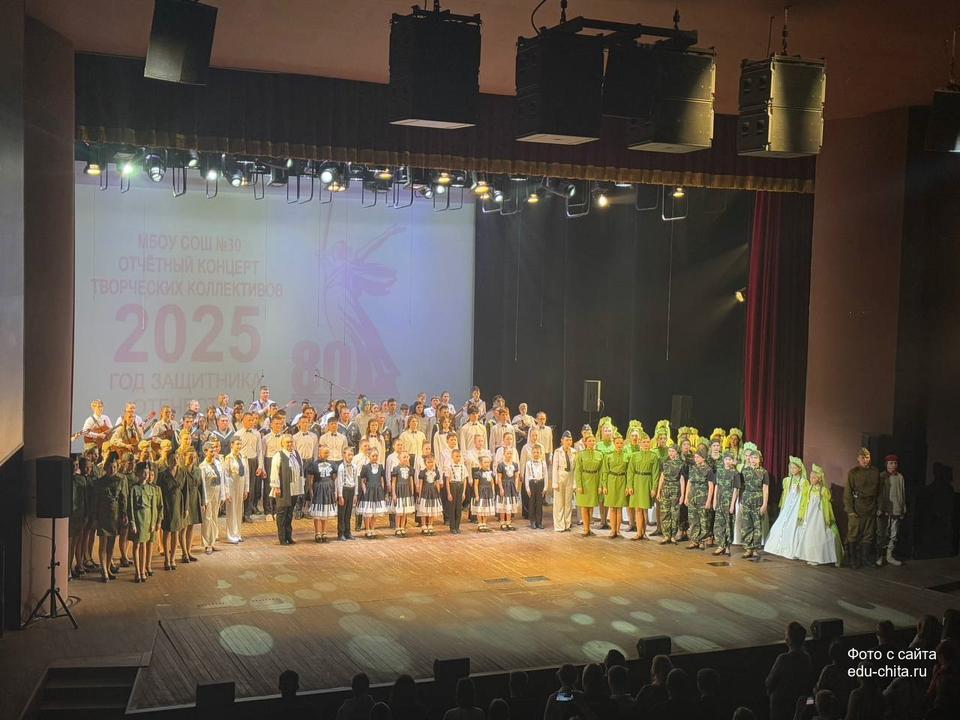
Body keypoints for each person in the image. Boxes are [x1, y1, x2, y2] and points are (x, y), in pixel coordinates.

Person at [794, 464, 843, 566]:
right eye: (810, 477)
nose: (811, 479)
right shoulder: (809, 488)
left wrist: (827, 517)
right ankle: (811, 556)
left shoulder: (823, 490)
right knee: (810, 534)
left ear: (819, 479)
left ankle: (820, 557)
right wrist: (803, 514)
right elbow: (805, 502)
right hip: (810, 514)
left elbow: (826, 505)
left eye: (814, 478)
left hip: (819, 515)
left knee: (820, 534)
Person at [765, 621, 811, 720]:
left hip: (781, 708)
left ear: (788, 640)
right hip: (797, 704)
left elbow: (770, 682)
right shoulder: (806, 658)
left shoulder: (783, 659)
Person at [843, 448, 881, 568]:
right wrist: (850, 510)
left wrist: (879, 507)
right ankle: (852, 560)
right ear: (858, 459)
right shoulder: (853, 473)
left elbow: (879, 491)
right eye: (863, 457)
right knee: (853, 534)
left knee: (868, 535)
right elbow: (848, 493)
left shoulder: (875, 472)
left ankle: (865, 559)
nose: (865, 460)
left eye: (867, 457)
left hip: (871, 507)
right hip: (857, 508)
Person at [765, 456, 808, 559]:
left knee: (793, 526)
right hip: (788, 505)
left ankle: (791, 549)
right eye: (791, 467)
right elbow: (785, 495)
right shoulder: (787, 480)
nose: (792, 470)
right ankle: (777, 547)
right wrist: (783, 506)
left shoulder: (803, 482)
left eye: (794, 468)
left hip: (796, 506)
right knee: (781, 523)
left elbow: (804, 497)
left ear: (800, 469)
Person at [93, 455, 127, 582]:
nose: (112, 470)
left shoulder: (120, 480)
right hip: (103, 514)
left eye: (115, 467)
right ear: (106, 468)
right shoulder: (99, 482)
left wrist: (124, 514)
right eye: (110, 467)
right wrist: (95, 517)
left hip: (115, 515)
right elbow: (95, 501)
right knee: (103, 543)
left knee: (111, 544)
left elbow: (123, 498)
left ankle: (108, 568)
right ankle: (103, 570)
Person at [128, 461, 161, 583]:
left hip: (147, 520)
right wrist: (132, 522)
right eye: (143, 472)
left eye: (147, 472)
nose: (146, 475)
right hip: (137, 519)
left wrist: (153, 523)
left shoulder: (151, 489)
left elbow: (154, 508)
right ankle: (137, 571)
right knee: (136, 545)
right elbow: (130, 507)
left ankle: (143, 570)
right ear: (137, 473)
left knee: (144, 545)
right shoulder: (133, 489)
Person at [269, 434, 304, 545]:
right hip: (283, 488)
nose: (290, 444)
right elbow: (274, 472)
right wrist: (276, 486)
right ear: (282, 444)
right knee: (282, 514)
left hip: (294, 489)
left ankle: (289, 536)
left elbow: (300, 471)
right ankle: (282, 538)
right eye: (287, 442)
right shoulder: (278, 456)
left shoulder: (296, 454)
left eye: (291, 442)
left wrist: (301, 485)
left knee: (289, 514)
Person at [627, 432, 661, 540]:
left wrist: (654, 488)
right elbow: (630, 472)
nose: (646, 444)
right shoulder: (634, 455)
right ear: (640, 443)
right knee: (638, 508)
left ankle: (644, 532)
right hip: (637, 482)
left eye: (647, 442)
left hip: (647, 482)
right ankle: (638, 532)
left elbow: (655, 474)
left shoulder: (654, 456)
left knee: (644, 509)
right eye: (644, 442)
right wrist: (629, 486)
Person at [876, 454, 906, 567]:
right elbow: (879, 494)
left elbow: (902, 493)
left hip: (896, 509)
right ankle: (880, 556)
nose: (893, 465)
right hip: (884, 510)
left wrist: (902, 508)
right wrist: (880, 508)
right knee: (882, 534)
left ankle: (889, 556)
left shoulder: (900, 477)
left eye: (895, 463)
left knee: (894, 534)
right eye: (891, 463)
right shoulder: (882, 476)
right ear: (886, 464)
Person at [683, 448, 716, 550]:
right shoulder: (693, 468)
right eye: (695, 457)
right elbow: (689, 482)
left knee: (704, 520)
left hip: (703, 498)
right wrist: (686, 496)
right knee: (693, 520)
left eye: (698, 457)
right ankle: (694, 540)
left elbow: (711, 486)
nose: (696, 459)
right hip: (692, 497)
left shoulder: (708, 470)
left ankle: (703, 540)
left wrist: (709, 501)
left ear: (703, 458)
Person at [740, 449, 770, 559]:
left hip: (758, 500)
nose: (753, 460)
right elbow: (741, 487)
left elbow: (765, 488)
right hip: (746, 499)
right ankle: (748, 548)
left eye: (755, 458)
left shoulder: (764, 472)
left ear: (759, 460)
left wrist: (765, 504)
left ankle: (756, 548)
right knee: (746, 524)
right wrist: (741, 502)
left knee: (757, 525)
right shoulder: (744, 470)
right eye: (752, 457)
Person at [710, 451, 740, 556]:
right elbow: (716, 486)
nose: (728, 461)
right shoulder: (719, 471)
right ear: (723, 460)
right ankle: (720, 545)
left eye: (730, 459)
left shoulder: (735, 473)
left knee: (729, 524)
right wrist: (714, 500)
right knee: (719, 524)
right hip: (719, 501)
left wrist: (732, 505)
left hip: (729, 502)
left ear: (733, 461)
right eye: (726, 459)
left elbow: (736, 490)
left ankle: (727, 546)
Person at [814, 639, 854, 715]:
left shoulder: (828, 670)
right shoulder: (850, 671)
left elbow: (819, 690)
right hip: (844, 707)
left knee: (806, 701)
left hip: (828, 707)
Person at [600, 435, 629, 538]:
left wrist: (628, 486)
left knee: (619, 507)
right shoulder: (608, 456)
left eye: (621, 443)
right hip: (611, 481)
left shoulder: (627, 456)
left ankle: (618, 530)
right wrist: (604, 485)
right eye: (617, 443)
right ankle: (613, 530)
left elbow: (629, 473)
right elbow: (604, 471)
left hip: (622, 481)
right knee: (612, 507)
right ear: (614, 444)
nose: (619, 445)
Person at [221, 437, 249, 544]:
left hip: (241, 485)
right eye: (237, 444)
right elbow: (226, 475)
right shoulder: (228, 458)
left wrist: (246, 489)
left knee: (239, 510)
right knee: (231, 510)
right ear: (232, 445)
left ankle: (238, 533)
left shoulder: (243, 457)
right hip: (232, 485)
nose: (239, 446)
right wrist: (227, 492)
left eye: (240, 444)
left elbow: (246, 474)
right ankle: (231, 535)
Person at [307, 446, 338, 543]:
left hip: (328, 490)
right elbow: (310, 480)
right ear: (319, 453)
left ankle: (324, 532)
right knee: (318, 512)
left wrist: (332, 489)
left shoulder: (332, 464)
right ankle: (317, 533)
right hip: (318, 490)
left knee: (325, 512)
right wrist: (311, 492)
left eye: (328, 453)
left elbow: (334, 477)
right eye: (325, 453)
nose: (327, 454)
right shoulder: (314, 464)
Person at [574, 434, 602, 536]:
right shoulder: (581, 454)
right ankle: (585, 529)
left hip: (594, 480)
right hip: (584, 480)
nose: (591, 443)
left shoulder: (599, 454)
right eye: (589, 441)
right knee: (584, 506)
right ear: (585, 442)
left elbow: (601, 471)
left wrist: (600, 485)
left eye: (593, 441)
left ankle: (589, 528)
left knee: (591, 506)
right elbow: (578, 470)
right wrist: (579, 485)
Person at [198, 442, 223, 554]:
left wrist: (222, 495)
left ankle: (212, 542)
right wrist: (204, 500)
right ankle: (207, 543)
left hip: (216, 494)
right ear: (205, 452)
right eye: (211, 451)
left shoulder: (218, 463)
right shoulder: (202, 466)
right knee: (207, 519)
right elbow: (202, 484)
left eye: (214, 451)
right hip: (208, 495)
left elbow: (222, 480)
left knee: (214, 519)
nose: (213, 453)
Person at [359, 448, 389, 539]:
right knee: (368, 512)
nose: (375, 457)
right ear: (369, 456)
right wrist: (365, 491)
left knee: (375, 511)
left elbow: (382, 479)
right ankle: (367, 529)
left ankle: (372, 528)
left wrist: (382, 490)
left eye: (376, 456)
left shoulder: (380, 467)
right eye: (373, 456)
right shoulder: (365, 467)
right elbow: (362, 480)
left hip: (377, 491)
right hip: (369, 492)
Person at [551, 431, 575, 532]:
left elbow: (575, 469)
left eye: (570, 440)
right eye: (566, 440)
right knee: (559, 503)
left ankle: (567, 524)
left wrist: (575, 483)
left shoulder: (574, 452)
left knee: (568, 503)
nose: (568, 442)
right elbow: (554, 468)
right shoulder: (557, 452)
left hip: (570, 477)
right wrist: (555, 483)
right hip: (560, 476)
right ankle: (559, 525)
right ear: (562, 441)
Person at [416, 453, 444, 534]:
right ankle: (424, 525)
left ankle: (430, 525)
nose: (430, 464)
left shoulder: (436, 472)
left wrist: (438, 493)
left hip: (433, 493)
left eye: (432, 462)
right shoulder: (422, 472)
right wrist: (420, 495)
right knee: (424, 510)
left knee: (432, 509)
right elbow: (421, 484)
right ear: (425, 463)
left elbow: (437, 483)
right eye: (428, 462)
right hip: (425, 493)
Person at [336, 446, 359, 540]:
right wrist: (340, 495)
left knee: (349, 513)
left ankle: (348, 532)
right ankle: (341, 533)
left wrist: (356, 494)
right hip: (344, 490)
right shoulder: (341, 467)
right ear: (344, 455)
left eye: (352, 455)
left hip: (351, 489)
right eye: (348, 455)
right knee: (342, 513)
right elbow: (339, 482)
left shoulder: (355, 466)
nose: (350, 457)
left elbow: (356, 480)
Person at [391, 451, 417, 536]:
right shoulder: (396, 469)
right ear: (399, 458)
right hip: (399, 492)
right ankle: (397, 527)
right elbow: (393, 482)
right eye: (404, 457)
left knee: (405, 511)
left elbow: (411, 480)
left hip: (407, 492)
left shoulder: (410, 469)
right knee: (399, 511)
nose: (406, 459)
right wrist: (394, 494)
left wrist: (412, 492)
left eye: (407, 457)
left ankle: (402, 527)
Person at [472, 452, 499, 531]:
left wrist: (493, 492)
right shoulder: (478, 473)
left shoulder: (491, 473)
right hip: (481, 492)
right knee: (480, 508)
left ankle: (484, 523)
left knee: (486, 508)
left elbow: (492, 483)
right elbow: (476, 485)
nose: (487, 464)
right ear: (481, 463)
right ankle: (480, 523)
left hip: (488, 493)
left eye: (488, 462)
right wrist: (477, 495)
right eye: (485, 462)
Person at [496, 447, 522, 531]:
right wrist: (501, 488)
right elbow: (499, 478)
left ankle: (508, 522)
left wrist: (516, 486)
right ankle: (502, 523)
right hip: (504, 486)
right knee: (503, 505)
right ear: (504, 454)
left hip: (511, 487)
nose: (509, 455)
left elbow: (516, 477)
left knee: (509, 505)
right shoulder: (501, 465)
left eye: (511, 453)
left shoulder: (515, 465)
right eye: (507, 453)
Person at [524, 444, 548, 529]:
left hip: (540, 484)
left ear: (541, 453)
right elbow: (527, 476)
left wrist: (545, 487)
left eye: (538, 452)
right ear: (531, 453)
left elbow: (546, 475)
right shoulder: (528, 463)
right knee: (532, 503)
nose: (536, 454)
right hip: (532, 484)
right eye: (534, 452)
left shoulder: (543, 463)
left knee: (539, 504)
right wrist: (527, 488)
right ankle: (533, 521)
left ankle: (539, 522)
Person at [446, 448, 468, 534]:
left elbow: (465, 480)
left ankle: (457, 526)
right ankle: (452, 527)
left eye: (459, 456)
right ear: (452, 457)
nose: (458, 458)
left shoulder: (463, 467)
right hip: (453, 486)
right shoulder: (449, 467)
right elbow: (447, 481)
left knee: (459, 508)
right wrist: (449, 493)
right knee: (452, 507)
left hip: (460, 486)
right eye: (456, 456)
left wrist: (464, 492)